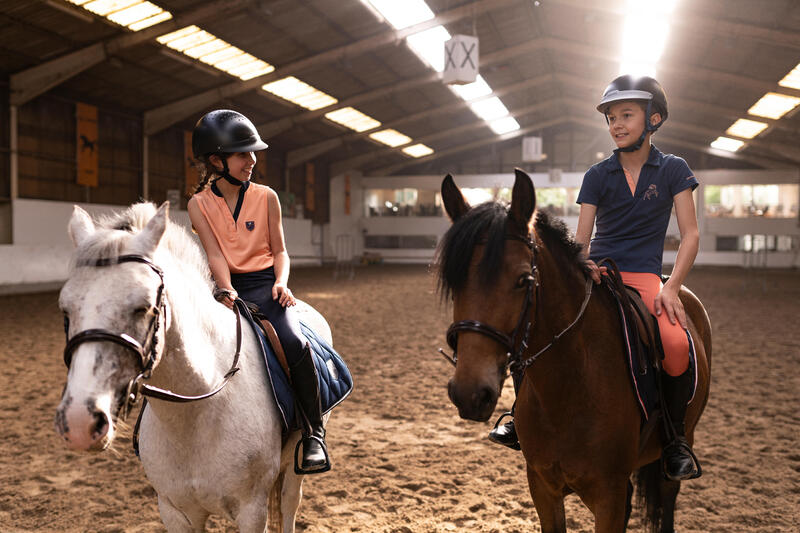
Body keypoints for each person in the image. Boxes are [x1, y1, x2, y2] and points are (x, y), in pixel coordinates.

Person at [489, 75, 701, 481]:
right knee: (532, 320)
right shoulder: (597, 175)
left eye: (626, 115)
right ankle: (519, 415)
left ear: (653, 118)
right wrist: (583, 263)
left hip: (643, 276)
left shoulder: (674, 170)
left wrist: (672, 285)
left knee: (675, 344)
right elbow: (581, 239)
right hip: (597, 271)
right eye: (611, 118)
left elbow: (690, 234)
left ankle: (675, 440)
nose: (616, 124)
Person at [187, 109, 330, 474]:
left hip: (267, 286)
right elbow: (215, 253)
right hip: (226, 288)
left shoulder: (267, 197)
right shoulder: (198, 204)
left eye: (253, 153)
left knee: (296, 344)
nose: (252, 161)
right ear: (216, 160)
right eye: (242, 154)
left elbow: (280, 250)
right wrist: (225, 288)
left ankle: (314, 434)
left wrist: (281, 282)